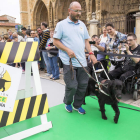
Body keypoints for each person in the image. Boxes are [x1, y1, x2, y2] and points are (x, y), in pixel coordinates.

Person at [53, 1, 97, 114]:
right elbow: (55, 41)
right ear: (69, 11)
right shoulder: (61, 24)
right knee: (72, 86)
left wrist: (91, 54)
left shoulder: (82, 24)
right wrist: (67, 50)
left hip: (82, 61)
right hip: (68, 62)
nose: (78, 13)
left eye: (80, 11)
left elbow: (86, 40)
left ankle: (77, 105)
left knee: (83, 85)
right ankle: (68, 103)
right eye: (76, 10)